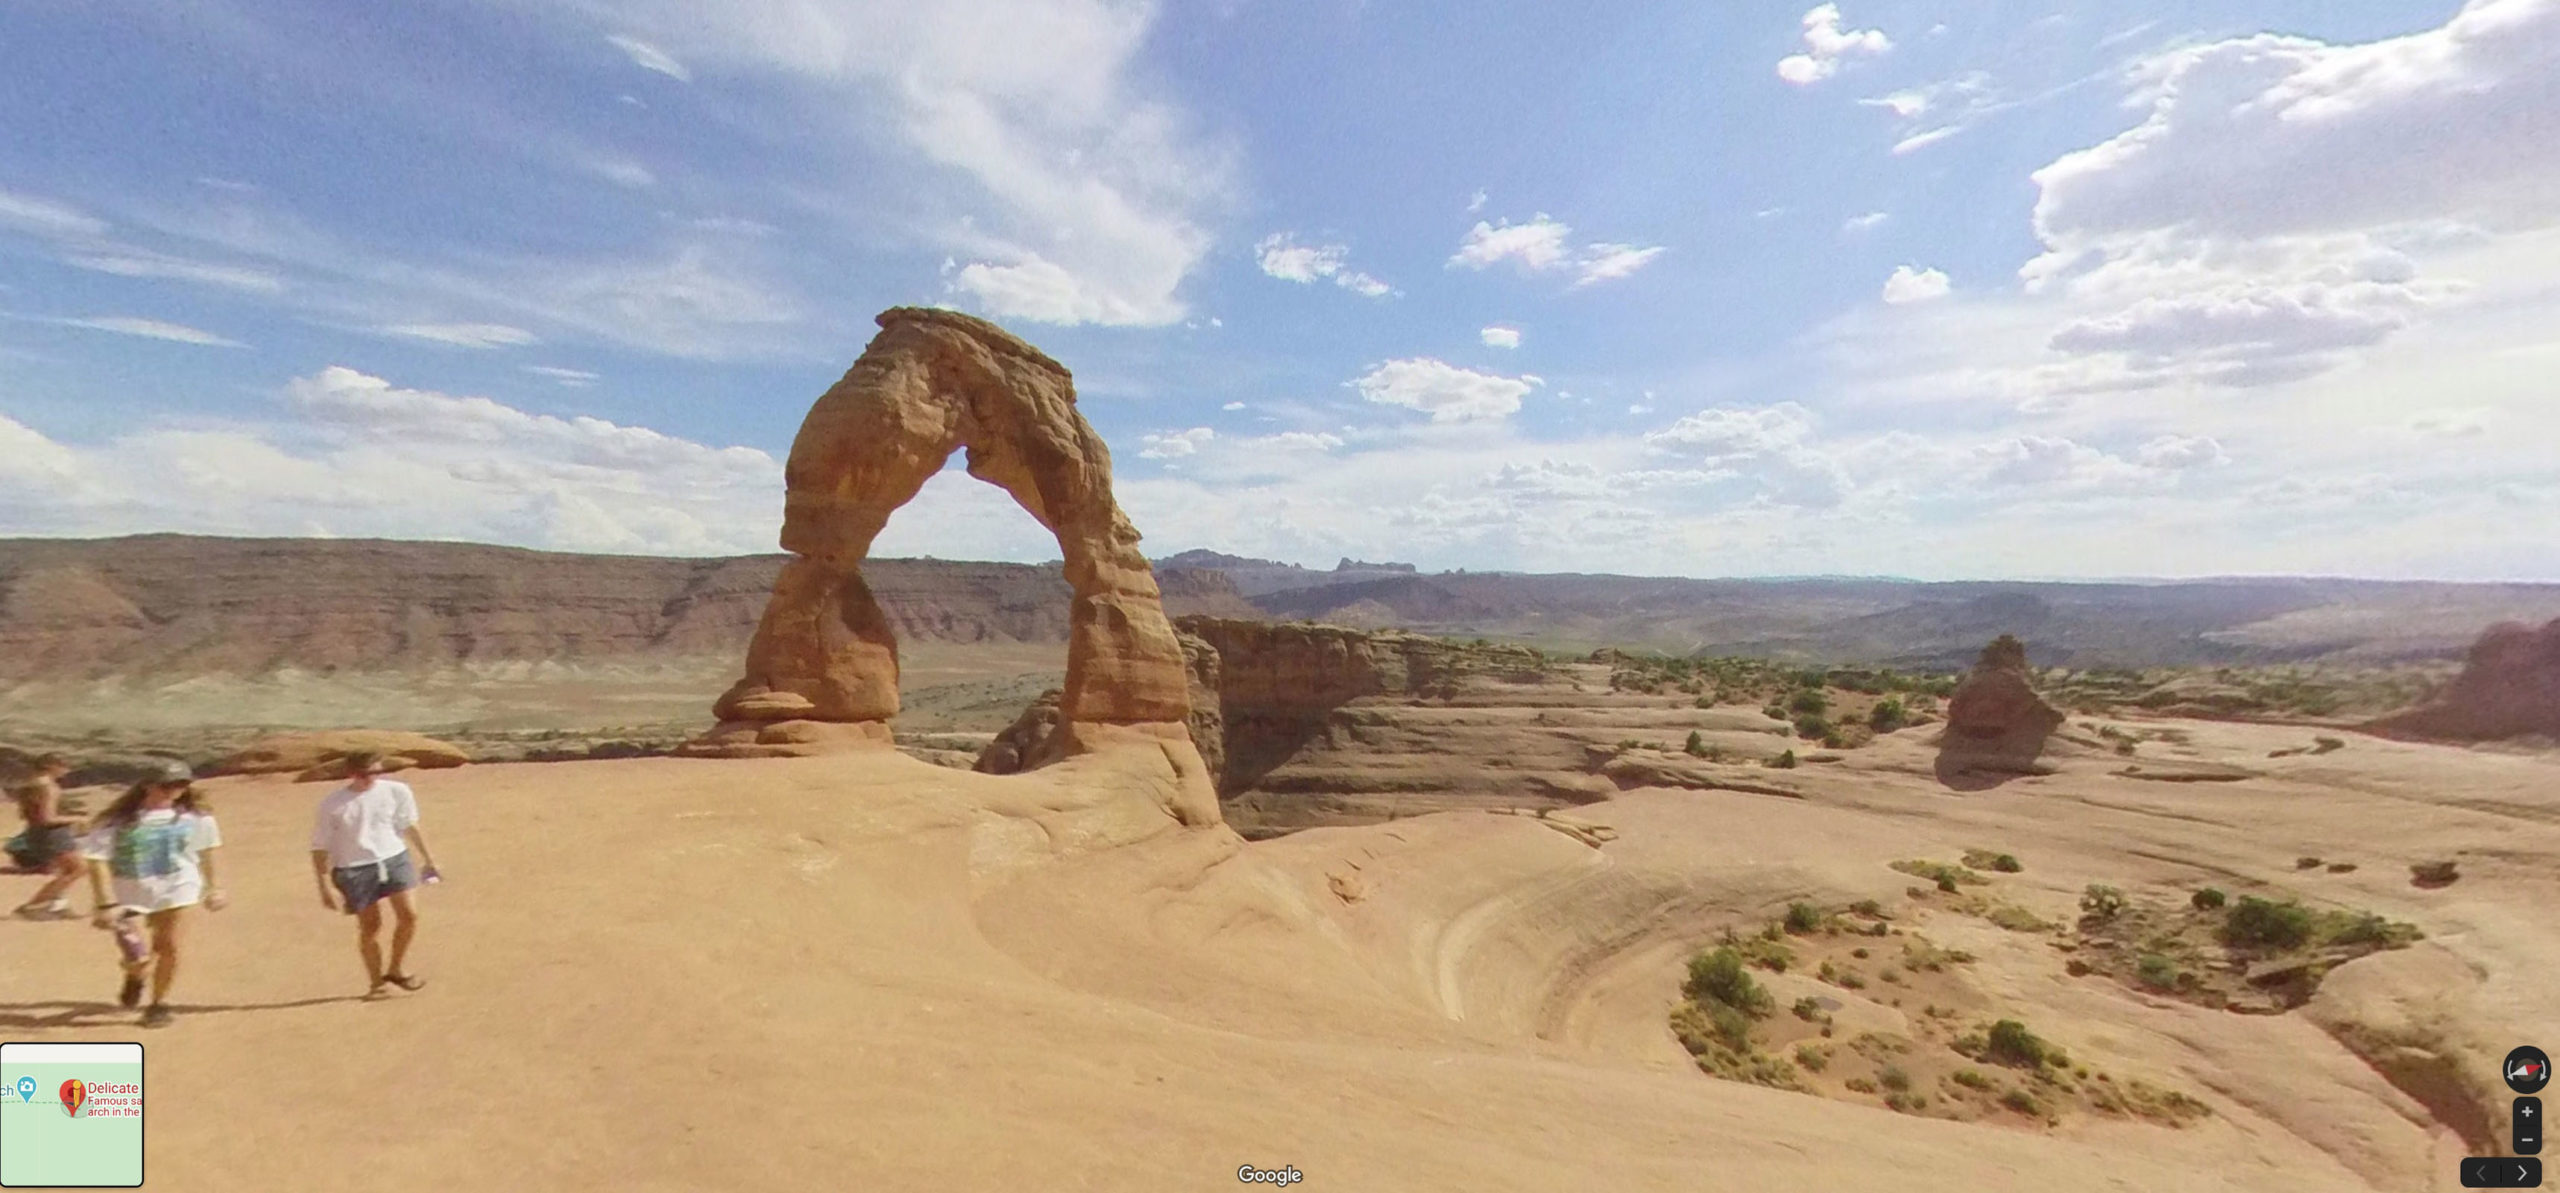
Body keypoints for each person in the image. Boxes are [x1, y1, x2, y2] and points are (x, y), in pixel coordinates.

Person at [82, 760, 227, 1028]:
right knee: (138, 958)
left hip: (179, 889)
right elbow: (97, 861)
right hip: (129, 896)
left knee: (170, 947)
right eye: (168, 785)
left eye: (182, 784)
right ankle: (135, 976)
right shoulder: (116, 822)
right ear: (147, 785)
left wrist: (214, 887)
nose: (175, 790)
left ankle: (159, 1003)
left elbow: (208, 852)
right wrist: (105, 903)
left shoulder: (197, 817)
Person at [309, 752, 439, 998]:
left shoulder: (396, 791)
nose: (371, 779)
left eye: (377, 773)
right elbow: (319, 847)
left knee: (409, 915)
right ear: (351, 774)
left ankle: (396, 969)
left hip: (394, 857)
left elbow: (409, 825)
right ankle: (376, 983)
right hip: (354, 867)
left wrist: (429, 859)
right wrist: (324, 887)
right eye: (364, 774)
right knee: (371, 927)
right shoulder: (333, 804)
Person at [9, 754, 83, 918]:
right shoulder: (49, 787)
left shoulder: (29, 785)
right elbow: (48, 818)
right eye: (64, 765)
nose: (66, 770)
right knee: (76, 869)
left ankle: (57, 905)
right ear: (51, 766)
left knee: (64, 870)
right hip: (52, 834)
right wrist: (77, 819)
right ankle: (33, 906)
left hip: (36, 832)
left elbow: (25, 814)